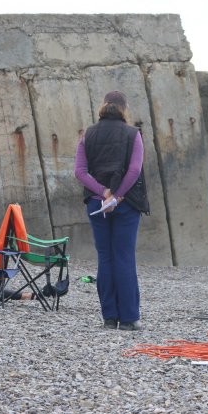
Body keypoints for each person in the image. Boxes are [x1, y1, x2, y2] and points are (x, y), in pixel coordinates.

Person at [75, 91, 149, 331]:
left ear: (103, 106)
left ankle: (109, 317)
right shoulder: (133, 134)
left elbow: (80, 172)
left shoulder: (88, 134)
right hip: (125, 203)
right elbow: (134, 170)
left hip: (97, 204)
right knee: (124, 257)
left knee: (105, 257)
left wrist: (103, 191)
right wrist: (117, 195)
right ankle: (129, 318)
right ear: (124, 109)